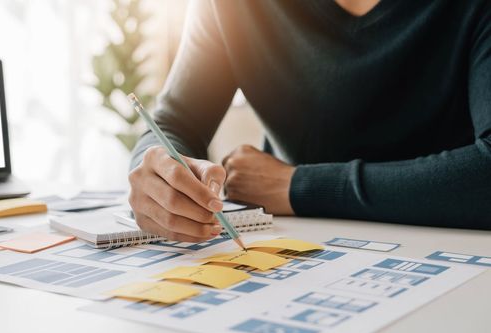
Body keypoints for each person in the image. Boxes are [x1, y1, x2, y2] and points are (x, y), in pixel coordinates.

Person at [128, 0, 491, 242]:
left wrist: (298, 187)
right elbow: (175, 121)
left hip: (457, 253)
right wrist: (157, 171)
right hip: (296, 247)